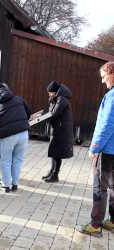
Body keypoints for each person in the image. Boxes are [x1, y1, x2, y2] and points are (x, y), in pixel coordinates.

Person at [79, 62, 114, 237]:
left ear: (112, 73)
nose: (102, 81)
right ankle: (113, 221)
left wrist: (95, 147)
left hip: (107, 151)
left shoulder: (112, 96)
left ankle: (95, 225)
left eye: (103, 76)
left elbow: (107, 124)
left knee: (100, 187)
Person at [0, 83, 31, 193]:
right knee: (18, 160)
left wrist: (0, 133)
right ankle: (15, 184)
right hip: (23, 133)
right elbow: (28, 112)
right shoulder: (19, 99)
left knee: (6, 160)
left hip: (8, 136)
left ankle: (6, 185)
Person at [42, 81, 73, 183]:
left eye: (50, 92)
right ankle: (51, 172)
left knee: (57, 153)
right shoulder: (57, 98)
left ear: (55, 92)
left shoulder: (62, 99)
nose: (49, 94)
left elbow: (54, 113)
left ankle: (55, 175)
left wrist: (43, 118)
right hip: (57, 129)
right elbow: (52, 112)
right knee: (53, 151)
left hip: (61, 130)